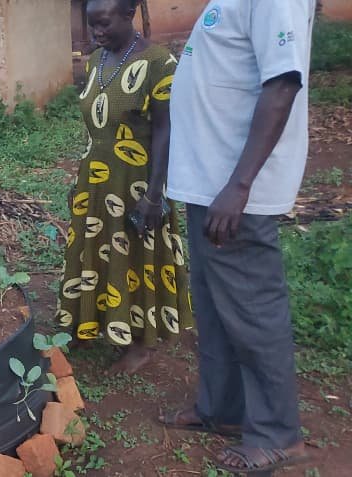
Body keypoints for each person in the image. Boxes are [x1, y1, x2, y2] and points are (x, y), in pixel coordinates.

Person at [160, 0, 315, 472]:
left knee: (252, 312)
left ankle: (276, 434)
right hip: (208, 183)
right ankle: (222, 409)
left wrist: (240, 185)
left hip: (233, 191)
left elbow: (282, 81)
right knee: (214, 307)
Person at [57, 0, 192, 373]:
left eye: (103, 24)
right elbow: (95, 126)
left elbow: (166, 129)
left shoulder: (159, 62)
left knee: (133, 258)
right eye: (91, 26)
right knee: (94, 250)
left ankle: (139, 342)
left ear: (128, 15)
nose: (96, 33)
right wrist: (80, 178)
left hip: (136, 181)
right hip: (97, 178)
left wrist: (154, 193)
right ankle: (92, 322)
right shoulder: (94, 62)